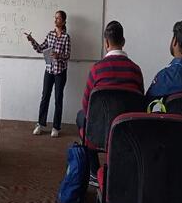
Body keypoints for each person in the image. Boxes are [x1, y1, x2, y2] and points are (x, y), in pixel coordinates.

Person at [76, 20, 144, 184]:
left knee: (80, 116)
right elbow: (141, 105)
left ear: (106, 43)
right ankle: (123, 169)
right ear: (123, 41)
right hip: (127, 133)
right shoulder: (136, 70)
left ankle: (94, 172)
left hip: (99, 133)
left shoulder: (97, 69)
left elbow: (86, 105)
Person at [26, 10, 71, 138]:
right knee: (45, 97)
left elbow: (68, 55)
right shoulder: (50, 35)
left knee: (58, 99)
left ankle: (56, 127)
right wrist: (32, 40)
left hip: (60, 72)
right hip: (49, 70)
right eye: (55, 18)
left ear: (63, 21)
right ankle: (40, 124)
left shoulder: (66, 37)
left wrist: (58, 55)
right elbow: (41, 48)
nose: (55, 20)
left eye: (58, 18)